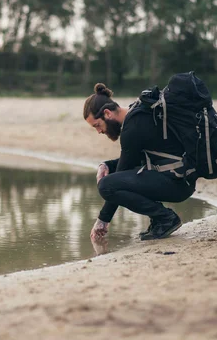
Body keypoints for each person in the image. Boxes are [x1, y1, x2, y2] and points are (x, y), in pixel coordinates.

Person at [83, 83, 195, 241]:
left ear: (107, 113)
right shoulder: (137, 113)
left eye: (97, 125)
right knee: (120, 179)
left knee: (106, 186)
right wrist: (107, 164)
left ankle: (165, 218)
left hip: (177, 183)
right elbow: (135, 159)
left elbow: (120, 175)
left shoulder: (133, 128)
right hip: (180, 178)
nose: (99, 131)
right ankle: (159, 220)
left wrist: (103, 220)